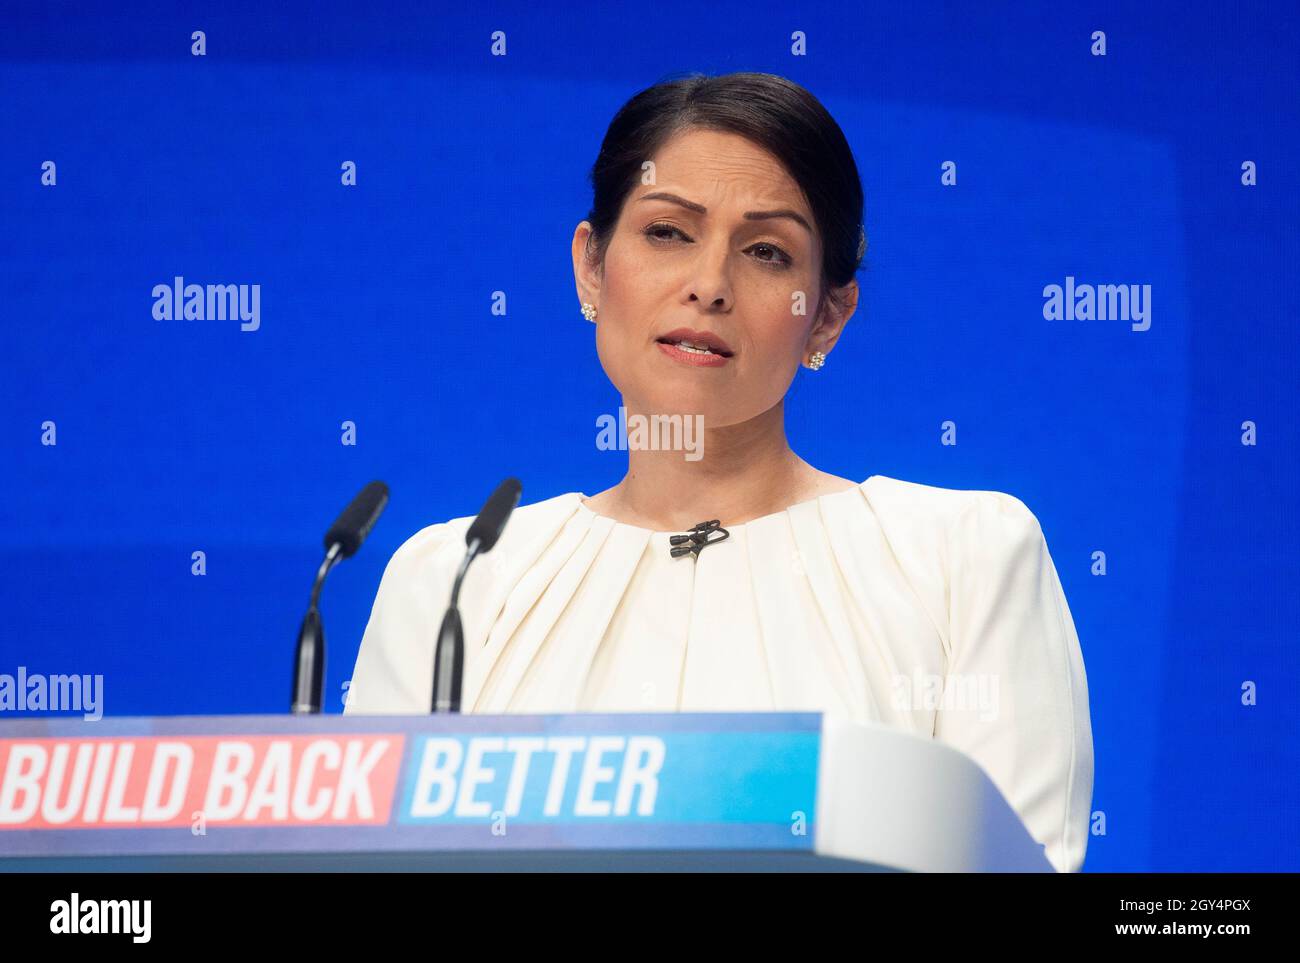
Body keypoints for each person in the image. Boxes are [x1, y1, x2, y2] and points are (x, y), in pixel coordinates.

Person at [345, 72, 1094, 873]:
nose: (709, 283)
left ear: (828, 315)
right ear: (591, 268)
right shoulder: (456, 582)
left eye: (767, 251)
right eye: (668, 232)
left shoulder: (961, 559)